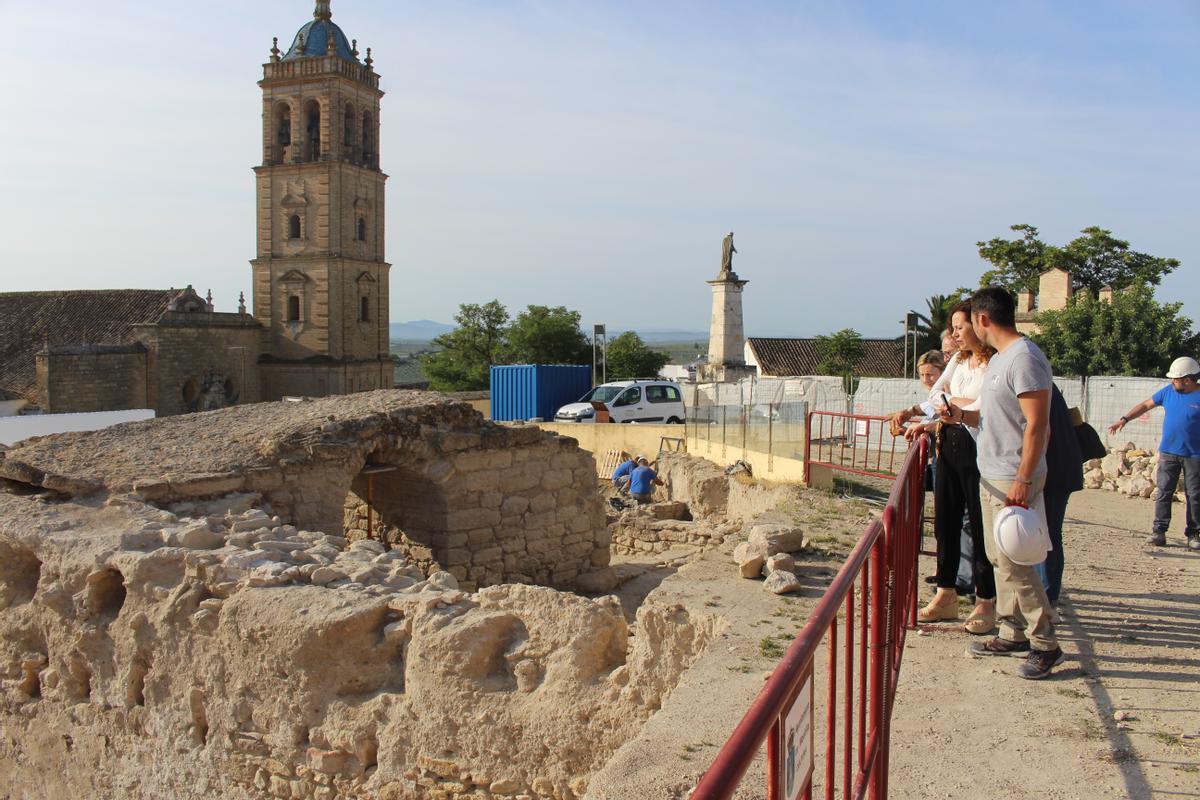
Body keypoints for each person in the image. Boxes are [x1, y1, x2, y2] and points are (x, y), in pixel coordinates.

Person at [942, 286, 1062, 679]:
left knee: (1015, 561)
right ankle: (1013, 632)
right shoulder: (1000, 361)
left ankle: (1045, 642)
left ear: (982, 319)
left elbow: (1037, 426)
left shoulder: (1024, 359)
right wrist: (960, 416)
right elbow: (997, 419)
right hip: (993, 472)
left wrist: (1023, 479)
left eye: (968, 323)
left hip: (1013, 476)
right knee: (998, 557)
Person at [915, 302, 997, 635]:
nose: (954, 334)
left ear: (978, 326)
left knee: (979, 528)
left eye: (960, 327)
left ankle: (985, 600)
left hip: (978, 446)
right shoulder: (959, 361)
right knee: (946, 523)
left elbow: (987, 406)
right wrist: (948, 404)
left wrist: (955, 404)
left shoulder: (993, 364)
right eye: (953, 328)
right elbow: (936, 394)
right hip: (949, 442)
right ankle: (945, 593)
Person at [1109, 356, 1200, 552]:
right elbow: (1145, 405)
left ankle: (1193, 534)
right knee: (1163, 492)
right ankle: (1159, 532)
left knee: (1194, 495)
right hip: (1168, 452)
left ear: (1188, 379)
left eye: (1176, 379)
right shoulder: (1168, 392)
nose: (1172, 382)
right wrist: (1124, 419)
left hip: (1195, 455)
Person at [1035, 386, 1084, 605]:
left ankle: (1047, 597)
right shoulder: (1041, 382)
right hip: (1053, 468)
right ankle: (1043, 594)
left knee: (1047, 535)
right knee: (1042, 534)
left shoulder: (1034, 384)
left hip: (1054, 470)